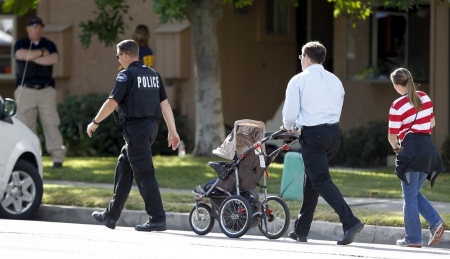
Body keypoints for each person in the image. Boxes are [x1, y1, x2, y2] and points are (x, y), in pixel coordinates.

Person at [87, 39, 180, 231]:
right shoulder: (154, 75)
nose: (118, 59)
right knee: (124, 167)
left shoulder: (126, 75)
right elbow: (165, 105)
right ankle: (111, 216)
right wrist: (173, 131)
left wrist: (95, 122)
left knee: (144, 173)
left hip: (136, 130)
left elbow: (112, 103)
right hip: (150, 128)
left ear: (126, 55)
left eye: (118, 55)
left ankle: (157, 218)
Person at [281, 41, 363, 245]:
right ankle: (301, 230)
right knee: (312, 180)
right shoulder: (335, 80)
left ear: (307, 57)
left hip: (314, 136)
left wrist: (289, 127)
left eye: (301, 57)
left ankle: (350, 221)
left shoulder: (298, 80)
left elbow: (289, 115)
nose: (301, 61)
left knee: (320, 180)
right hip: (333, 134)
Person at [388, 68, 445, 248]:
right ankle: (435, 223)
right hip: (428, 150)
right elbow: (432, 123)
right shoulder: (424, 97)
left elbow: (391, 136)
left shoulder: (397, 105)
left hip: (410, 150)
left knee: (409, 197)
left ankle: (413, 238)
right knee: (413, 194)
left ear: (397, 85)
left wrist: (397, 148)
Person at [14, 16, 65, 168]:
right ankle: (30, 158)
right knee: (25, 125)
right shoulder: (21, 43)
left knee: (51, 123)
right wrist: (43, 54)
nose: (38, 30)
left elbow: (54, 59)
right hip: (25, 90)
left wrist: (33, 56)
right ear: (28, 29)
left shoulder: (48, 44)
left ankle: (57, 159)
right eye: (35, 27)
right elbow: (21, 55)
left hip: (45, 90)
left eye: (40, 27)